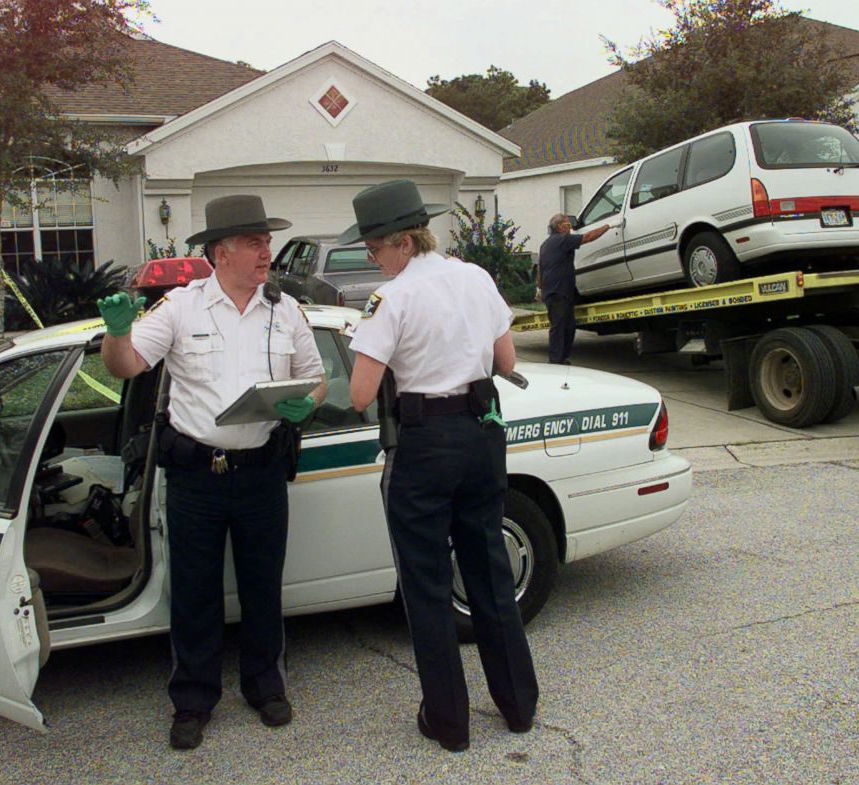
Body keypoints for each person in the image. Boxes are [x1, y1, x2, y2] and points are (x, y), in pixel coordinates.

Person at [97, 195, 326, 751]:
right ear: (221, 253)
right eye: (254, 243)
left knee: (262, 587)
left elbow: (315, 378)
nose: (266, 252)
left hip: (262, 473)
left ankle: (265, 685)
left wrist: (308, 403)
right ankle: (193, 700)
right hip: (198, 476)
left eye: (267, 241)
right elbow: (126, 365)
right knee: (195, 593)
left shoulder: (285, 308)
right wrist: (117, 332)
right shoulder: (180, 308)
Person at [344, 179, 539, 752]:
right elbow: (505, 360)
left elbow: (359, 395)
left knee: (428, 584)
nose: (373, 260)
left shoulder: (392, 299)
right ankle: (519, 706)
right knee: (489, 572)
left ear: (403, 242)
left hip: (426, 443)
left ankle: (449, 722)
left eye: (375, 249)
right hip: (482, 433)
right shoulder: (475, 276)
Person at [537, 214, 611, 364]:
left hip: (557, 290)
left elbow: (540, 267)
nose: (570, 227)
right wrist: (608, 226)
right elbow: (588, 237)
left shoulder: (546, 244)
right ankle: (556, 360)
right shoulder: (563, 239)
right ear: (559, 227)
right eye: (567, 225)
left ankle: (562, 357)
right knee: (559, 326)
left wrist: (539, 287)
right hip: (558, 291)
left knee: (568, 326)